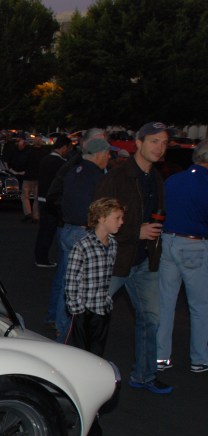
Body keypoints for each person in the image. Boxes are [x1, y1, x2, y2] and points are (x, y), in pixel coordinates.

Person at [93, 121, 170, 394]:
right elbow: (98, 218)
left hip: (144, 260)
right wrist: (135, 231)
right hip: (116, 259)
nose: (160, 147)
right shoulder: (118, 177)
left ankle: (145, 376)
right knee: (93, 316)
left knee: (151, 319)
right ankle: (79, 373)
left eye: (164, 142)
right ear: (138, 143)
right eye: (154, 141)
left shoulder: (155, 177)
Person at [48, 137, 111, 342]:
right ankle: (67, 333)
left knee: (67, 281)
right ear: (99, 154)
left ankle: (61, 327)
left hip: (67, 229)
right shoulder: (96, 176)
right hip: (82, 231)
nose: (109, 157)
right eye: (107, 153)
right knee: (78, 287)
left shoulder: (73, 171)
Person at [156, 139, 208, 374]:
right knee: (199, 306)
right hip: (194, 244)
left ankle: (161, 357)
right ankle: (199, 358)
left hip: (168, 240)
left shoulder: (174, 180)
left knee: (165, 303)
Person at [64, 197, 123, 355]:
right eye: (117, 218)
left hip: (102, 309)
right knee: (81, 353)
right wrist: (77, 309)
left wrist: (107, 301)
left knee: (97, 352)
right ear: (102, 219)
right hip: (84, 311)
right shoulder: (82, 246)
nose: (121, 222)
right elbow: (71, 280)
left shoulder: (113, 244)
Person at [34, 134, 72, 267]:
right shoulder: (61, 163)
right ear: (64, 147)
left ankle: (39, 257)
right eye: (69, 148)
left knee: (43, 231)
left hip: (42, 197)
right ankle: (42, 259)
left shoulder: (45, 159)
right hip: (52, 201)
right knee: (49, 231)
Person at [7, 138, 36, 222]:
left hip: (25, 174)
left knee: (26, 195)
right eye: (19, 146)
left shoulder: (27, 152)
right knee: (27, 195)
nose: (20, 147)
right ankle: (32, 214)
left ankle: (29, 214)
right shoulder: (22, 152)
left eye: (21, 146)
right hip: (20, 173)